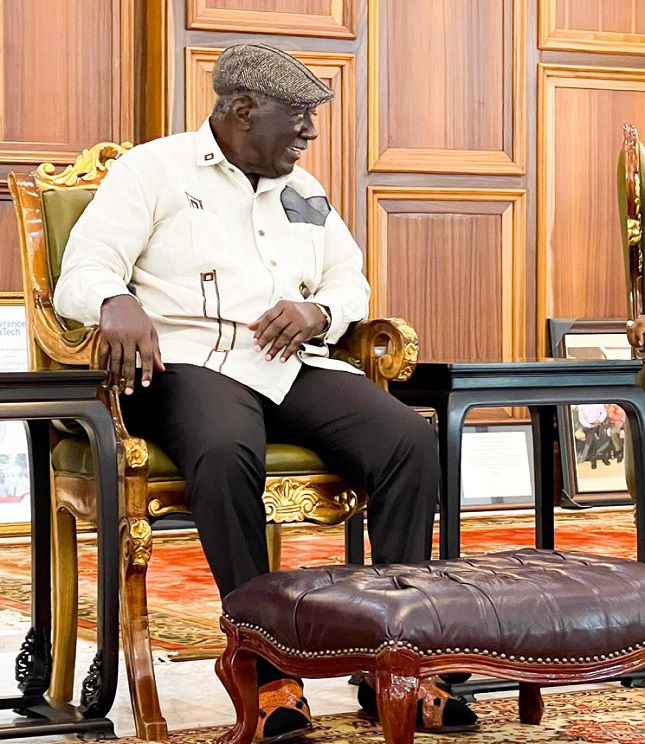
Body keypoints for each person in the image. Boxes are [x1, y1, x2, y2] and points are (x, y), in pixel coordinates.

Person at [53, 43, 477, 740]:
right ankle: (269, 671)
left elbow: (348, 278)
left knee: (407, 440)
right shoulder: (153, 171)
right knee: (225, 449)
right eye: (298, 114)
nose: (310, 130)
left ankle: (395, 665)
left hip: (288, 362)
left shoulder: (303, 189)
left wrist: (320, 312)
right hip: (188, 362)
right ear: (243, 110)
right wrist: (114, 299)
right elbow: (82, 269)